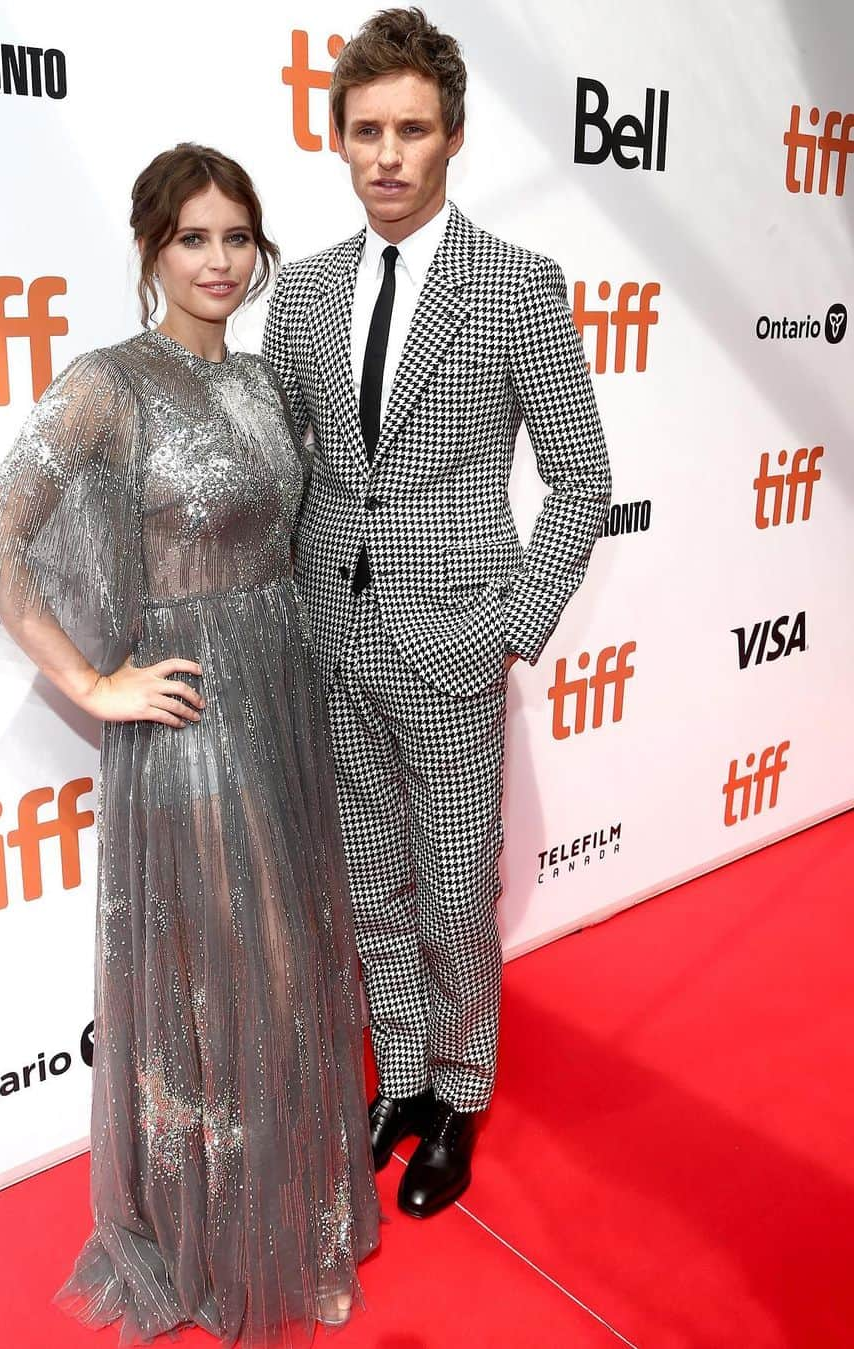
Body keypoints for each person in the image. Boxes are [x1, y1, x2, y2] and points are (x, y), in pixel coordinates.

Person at [0, 143, 380, 1344]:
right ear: (149, 249)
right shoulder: (105, 385)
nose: (219, 260)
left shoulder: (270, 385)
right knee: (240, 971)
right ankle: (223, 1240)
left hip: (285, 692)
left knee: (293, 971)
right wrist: (92, 680)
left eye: (238, 237)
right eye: (194, 237)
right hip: (190, 713)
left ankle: (303, 1220)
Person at [263, 8, 612, 1219]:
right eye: (367, 130)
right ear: (339, 140)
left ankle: (462, 1089)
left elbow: (581, 472)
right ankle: (401, 1076)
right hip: (333, 639)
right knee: (369, 880)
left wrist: (513, 621)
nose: (389, 154)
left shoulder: (517, 284)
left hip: (455, 637)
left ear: (453, 137)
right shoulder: (301, 295)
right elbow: (288, 470)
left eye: (413, 129)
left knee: (458, 885)